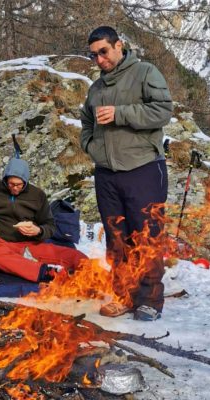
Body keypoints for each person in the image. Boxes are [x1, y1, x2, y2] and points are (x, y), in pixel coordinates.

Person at [80, 26, 173, 320]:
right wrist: (91, 147)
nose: (99, 60)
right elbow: (85, 123)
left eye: (103, 52)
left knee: (146, 236)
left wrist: (121, 113)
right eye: (94, 55)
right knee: (117, 239)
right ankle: (123, 295)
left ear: (119, 45)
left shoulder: (145, 72)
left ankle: (149, 300)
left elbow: (162, 111)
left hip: (143, 168)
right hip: (106, 174)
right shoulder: (96, 88)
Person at [0, 158, 87, 282]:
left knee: (76, 256)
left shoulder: (37, 195)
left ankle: (94, 275)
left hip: (33, 245)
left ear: (26, 181)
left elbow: (50, 225)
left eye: (19, 185)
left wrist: (39, 231)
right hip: (3, 245)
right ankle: (44, 273)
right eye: (11, 184)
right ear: (5, 179)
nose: (15, 188)